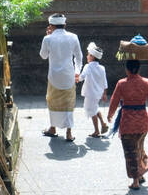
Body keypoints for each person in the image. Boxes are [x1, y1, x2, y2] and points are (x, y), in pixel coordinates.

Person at [107, 57, 148, 189]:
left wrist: (110, 114)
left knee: (130, 152)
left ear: (127, 70)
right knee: (139, 148)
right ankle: (141, 172)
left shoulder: (122, 84)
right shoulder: (147, 83)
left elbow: (114, 101)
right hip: (143, 122)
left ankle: (135, 181)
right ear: (138, 69)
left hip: (127, 122)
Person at [39, 13, 83, 142]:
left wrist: (47, 36)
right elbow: (79, 57)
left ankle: (53, 128)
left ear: (51, 26)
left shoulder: (48, 39)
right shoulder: (73, 37)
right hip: (69, 74)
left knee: (52, 101)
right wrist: (77, 72)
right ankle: (69, 133)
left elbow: (43, 56)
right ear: (65, 24)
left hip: (54, 75)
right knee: (69, 102)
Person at [81, 42, 109, 138]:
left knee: (91, 110)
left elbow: (82, 77)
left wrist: (75, 77)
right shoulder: (102, 68)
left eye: (88, 55)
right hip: (98, 93)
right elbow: (104, 81)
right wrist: (105, 94)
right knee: (94, 108)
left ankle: (97, 130)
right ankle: (103, 124)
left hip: (89, 93)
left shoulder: (87, 66)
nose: (87, 56)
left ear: (92, 57)